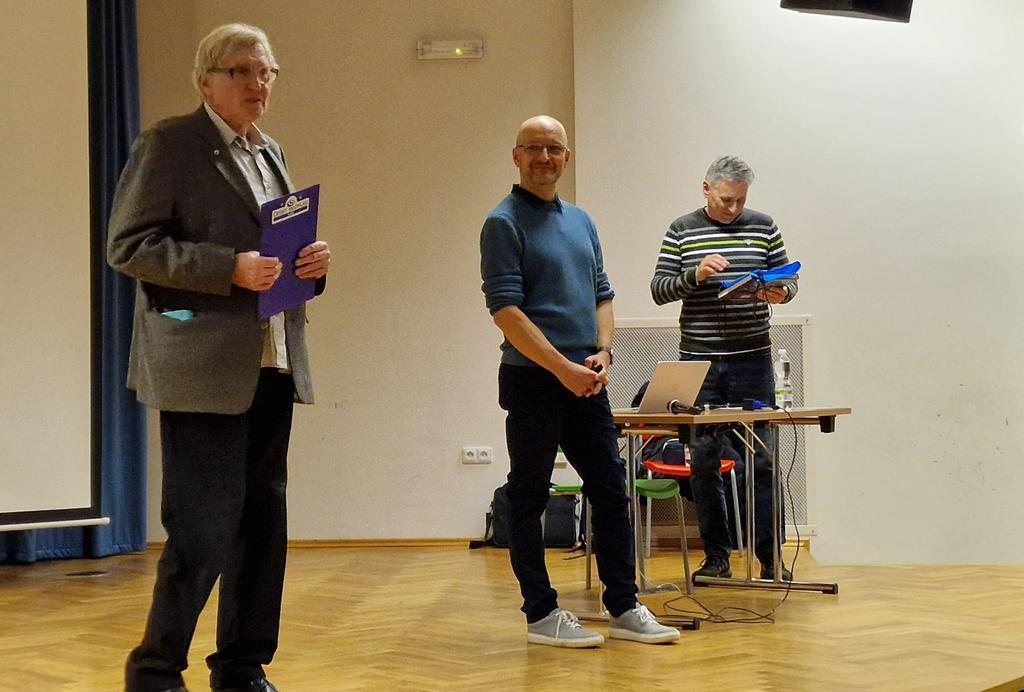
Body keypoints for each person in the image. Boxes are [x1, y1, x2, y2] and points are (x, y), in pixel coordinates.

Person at [107, 23, 331, 692]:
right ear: (206, 82)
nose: (258, 84)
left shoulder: (270, 152)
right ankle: (155, 671)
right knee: (201, 530)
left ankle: (241, 667)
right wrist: (227, 267)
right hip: (201, 369)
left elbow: (277, 255)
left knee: (263, 526)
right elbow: (129, 247)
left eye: (266, 72)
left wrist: (311, 267)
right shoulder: (169, 144)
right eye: (241, 72)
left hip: (272, 361)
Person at [479, 115, 679, 648]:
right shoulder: (503, 223)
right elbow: (505, 311)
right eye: (534, 148)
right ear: (516, 156)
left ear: (566, 158)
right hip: (533, 380)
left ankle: (624, 606)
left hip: (587, 380)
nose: (544, 157)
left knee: (611, 491)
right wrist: (561, 368)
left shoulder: (582, 221)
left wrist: (604, 352)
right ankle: (542, 614)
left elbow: (602, 295)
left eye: (554, 148)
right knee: (529, 496)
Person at [650, 155, 798, 582]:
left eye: (740, 201)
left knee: (763, 461)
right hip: (700, 362)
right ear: (706, 189)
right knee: (703, 462)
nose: (734, 208)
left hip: (753, 360)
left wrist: (781, 292)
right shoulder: (681, 229)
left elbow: (789, 281)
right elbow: (659, 289)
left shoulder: (764, 226)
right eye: (726, 199)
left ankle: (770, 559)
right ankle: (717, 558)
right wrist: (694, 275)